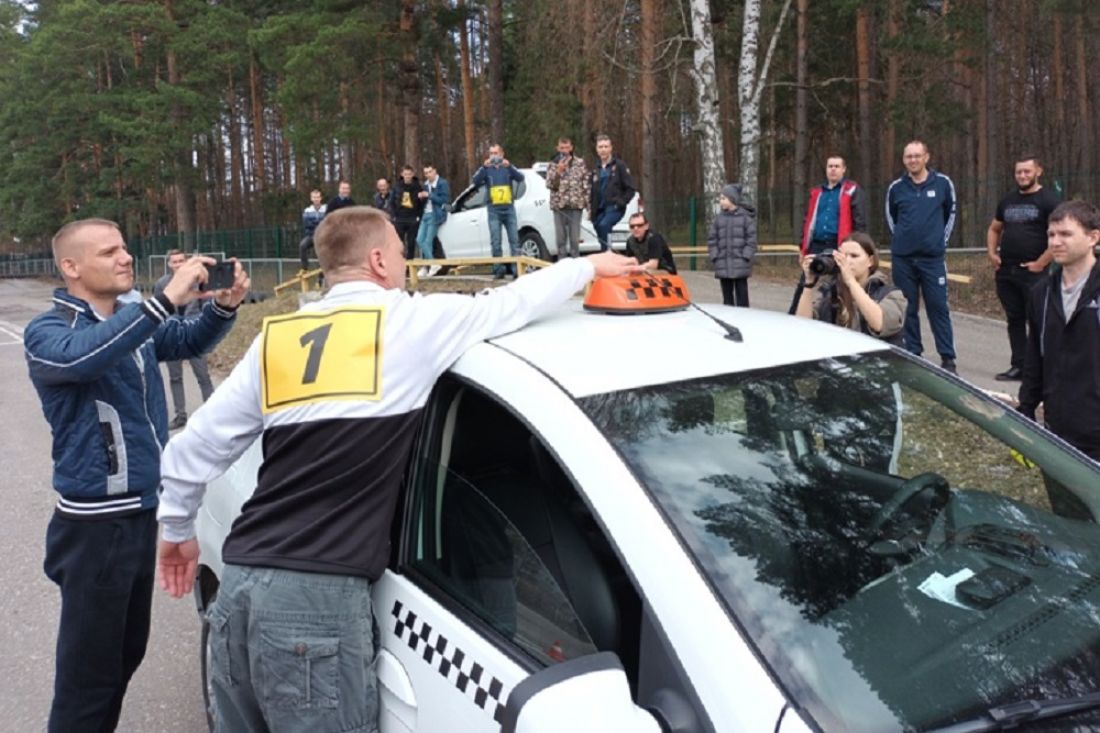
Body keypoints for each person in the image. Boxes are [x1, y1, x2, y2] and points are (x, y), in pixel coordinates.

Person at [155, 206, 641, 732]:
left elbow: (189, 451)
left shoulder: (277, 338)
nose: (407, 263)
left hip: (240, 588)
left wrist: (177, 531)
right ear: (380, 259)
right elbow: (511, 302)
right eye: (403, 253)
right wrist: (588, 268)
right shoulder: (410, 323)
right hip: (316, 607)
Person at [23, 218, 248, 733]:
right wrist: (164, 299)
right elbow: (88, 356)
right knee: (87, 681)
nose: (125, 257)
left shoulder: (133, 320)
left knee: (123, 658)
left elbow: (186, 340)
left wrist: (222, 306)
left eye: (124, 247)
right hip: (93, 529)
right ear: (71, 267)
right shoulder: (50, 332)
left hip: (140, 515)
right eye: (109, 252)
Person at [1018, 200, 1100, 462]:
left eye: (1066, 234)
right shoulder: (1041, 294)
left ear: (1093, 238)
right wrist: (1026, 411)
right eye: (1051, 235)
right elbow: (1034, 358)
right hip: (1058, 433)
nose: (1055, 242)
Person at [885, 140, 958, 372]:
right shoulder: (896, 188)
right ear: (904, 160)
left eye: (917, 156)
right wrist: (903, 241)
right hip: (903, 259)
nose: (913, 160)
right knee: (908, 307)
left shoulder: (943, 184)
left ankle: (948, 358)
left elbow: (950, 213)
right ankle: (913, 353)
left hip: (932, 260)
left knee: (938, 306)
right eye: (908, 156)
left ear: (926, 157)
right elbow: (891, 218)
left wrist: (939, 242)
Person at [986, 155, 1059, 381]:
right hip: (1007, 272)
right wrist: (992, 254)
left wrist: (1042, 262)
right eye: (1019, 172)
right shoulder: (1008, 200)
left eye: (1027, 171)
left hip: (1034, 274)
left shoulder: (1050, 201)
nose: (1023, 176)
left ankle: (1044, 369)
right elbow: (994, 228)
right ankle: (1019, 366)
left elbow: (1059, 235)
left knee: (1039, 320)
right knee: (1015, 319)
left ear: (1039, 171)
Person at [794, 232, 906, 346]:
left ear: (870, 261)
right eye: (842, 256)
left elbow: (879, 324)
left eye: (854, 256)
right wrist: (808, 284)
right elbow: (802, 326)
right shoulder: (832, 293)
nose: (847, 261)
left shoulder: (890, 294)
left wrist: (850, 281)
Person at [789, 155, 868, 313]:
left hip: (839, 245)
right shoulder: (816, 192)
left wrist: (856, 247)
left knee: (840, 285)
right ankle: (793, 316)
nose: (833, 169)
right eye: (830, 166)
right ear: (826, 169)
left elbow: (859, 220)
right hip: (816, 244)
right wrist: (802, 247)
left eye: (837, 166)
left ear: (843, 169)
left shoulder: (851, 190)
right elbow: (808, 220)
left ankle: (841, 318)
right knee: (805, 282)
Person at [154, 250, 216, 429]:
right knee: (175, 377)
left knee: (203, 375)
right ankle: (180, 415)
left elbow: (206, 307)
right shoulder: (162, 284)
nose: (178, 264)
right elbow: (159, 308)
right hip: (171, 335)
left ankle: (212, 413)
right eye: (175, 262)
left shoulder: (198, 280)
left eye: (181, 260)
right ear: (169, 264)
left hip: (194, 335)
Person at [473, 143, 526, 279]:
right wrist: (483, 167)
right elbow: (475, 181)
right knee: (496, 241)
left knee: (514, 240)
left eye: (496, 153)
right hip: (493, 210)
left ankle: (516, 270)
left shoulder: (507, 168)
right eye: (491, 153)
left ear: (502, 154)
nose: (494, 156)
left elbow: (520, 178)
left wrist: (510, 166)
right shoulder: (487, 169)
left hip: (508, 208)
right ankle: (498, 269)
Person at [707, 184, 756, 307]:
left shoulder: (745, 218)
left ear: (732, 199)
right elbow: (712, 239)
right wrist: (715, 255)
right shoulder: (719, 219)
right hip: (723, 263)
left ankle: (744, 318)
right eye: (720, 198)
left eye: (724, 198)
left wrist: (745, 256)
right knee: (727, 298)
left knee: (742, 296)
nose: (721, 201)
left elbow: (751, 239)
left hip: (740, 263)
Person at [589, 134, 636, 252]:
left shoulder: (619, 166)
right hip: (599, 209)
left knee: (605, 225)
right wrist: (590, 208)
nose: (603, 149)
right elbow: (592, 190)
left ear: (610, 148)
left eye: (606, 146)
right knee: (598, 226)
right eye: (600, 147)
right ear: (597, 149)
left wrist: (621, 202)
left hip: (614, 207)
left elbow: (631, 188)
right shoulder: (596, 168)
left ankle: (608, 253)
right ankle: (605, 251)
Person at [546, 137, 590, 258]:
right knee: (560, 240)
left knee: (575, 240)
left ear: (571, 148)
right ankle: (562, 265)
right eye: (562, 148)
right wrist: (558, 172)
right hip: (559, 206)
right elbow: (549, 185)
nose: (564, 150)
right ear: (557, 148)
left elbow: (586, 184)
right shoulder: (553, 164)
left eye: (567, 147)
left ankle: (575, 265)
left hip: (576, 206)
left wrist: (588, 205)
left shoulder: (580, 163)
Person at [416, 164, 450, 278]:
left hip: (435, 215)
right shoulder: (425, 184)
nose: (428, 175)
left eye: (430, 172)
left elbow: (445, 200)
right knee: (419, 240)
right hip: (425, 214)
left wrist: (430, 195)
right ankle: (432, 264)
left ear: (435, 171)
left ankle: (429, 266)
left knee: (427, 241)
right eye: (426, 173)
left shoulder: (442, 183)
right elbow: (424, 202)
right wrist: (421, 197)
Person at [393, 165, 424, 259]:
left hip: (413, 218)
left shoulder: (418, 186)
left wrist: (419, 216)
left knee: (411, 243)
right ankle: (400, 263)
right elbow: (392, 201)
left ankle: (410, 266)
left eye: (409, 174)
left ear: (413, 174)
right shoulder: (397, 186)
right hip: (400, 218)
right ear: (402, 174)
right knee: (399, 244)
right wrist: (394, 215)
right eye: (405, 174)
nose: (407, 176)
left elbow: (422, 202)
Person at [298, 188, 326, 272]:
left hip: (322, 236)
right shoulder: (307, 210)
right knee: (302, 245)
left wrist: (316, 223)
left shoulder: (326, 209)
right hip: (311, 235)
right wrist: (319, 223)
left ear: (321, 198)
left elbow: (327, 222)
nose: (316, 199)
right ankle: (304, 268)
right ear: (311, 199)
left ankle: (321, 275)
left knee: (321, 253)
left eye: (317, 197)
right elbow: (307, 224)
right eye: (314, 197)